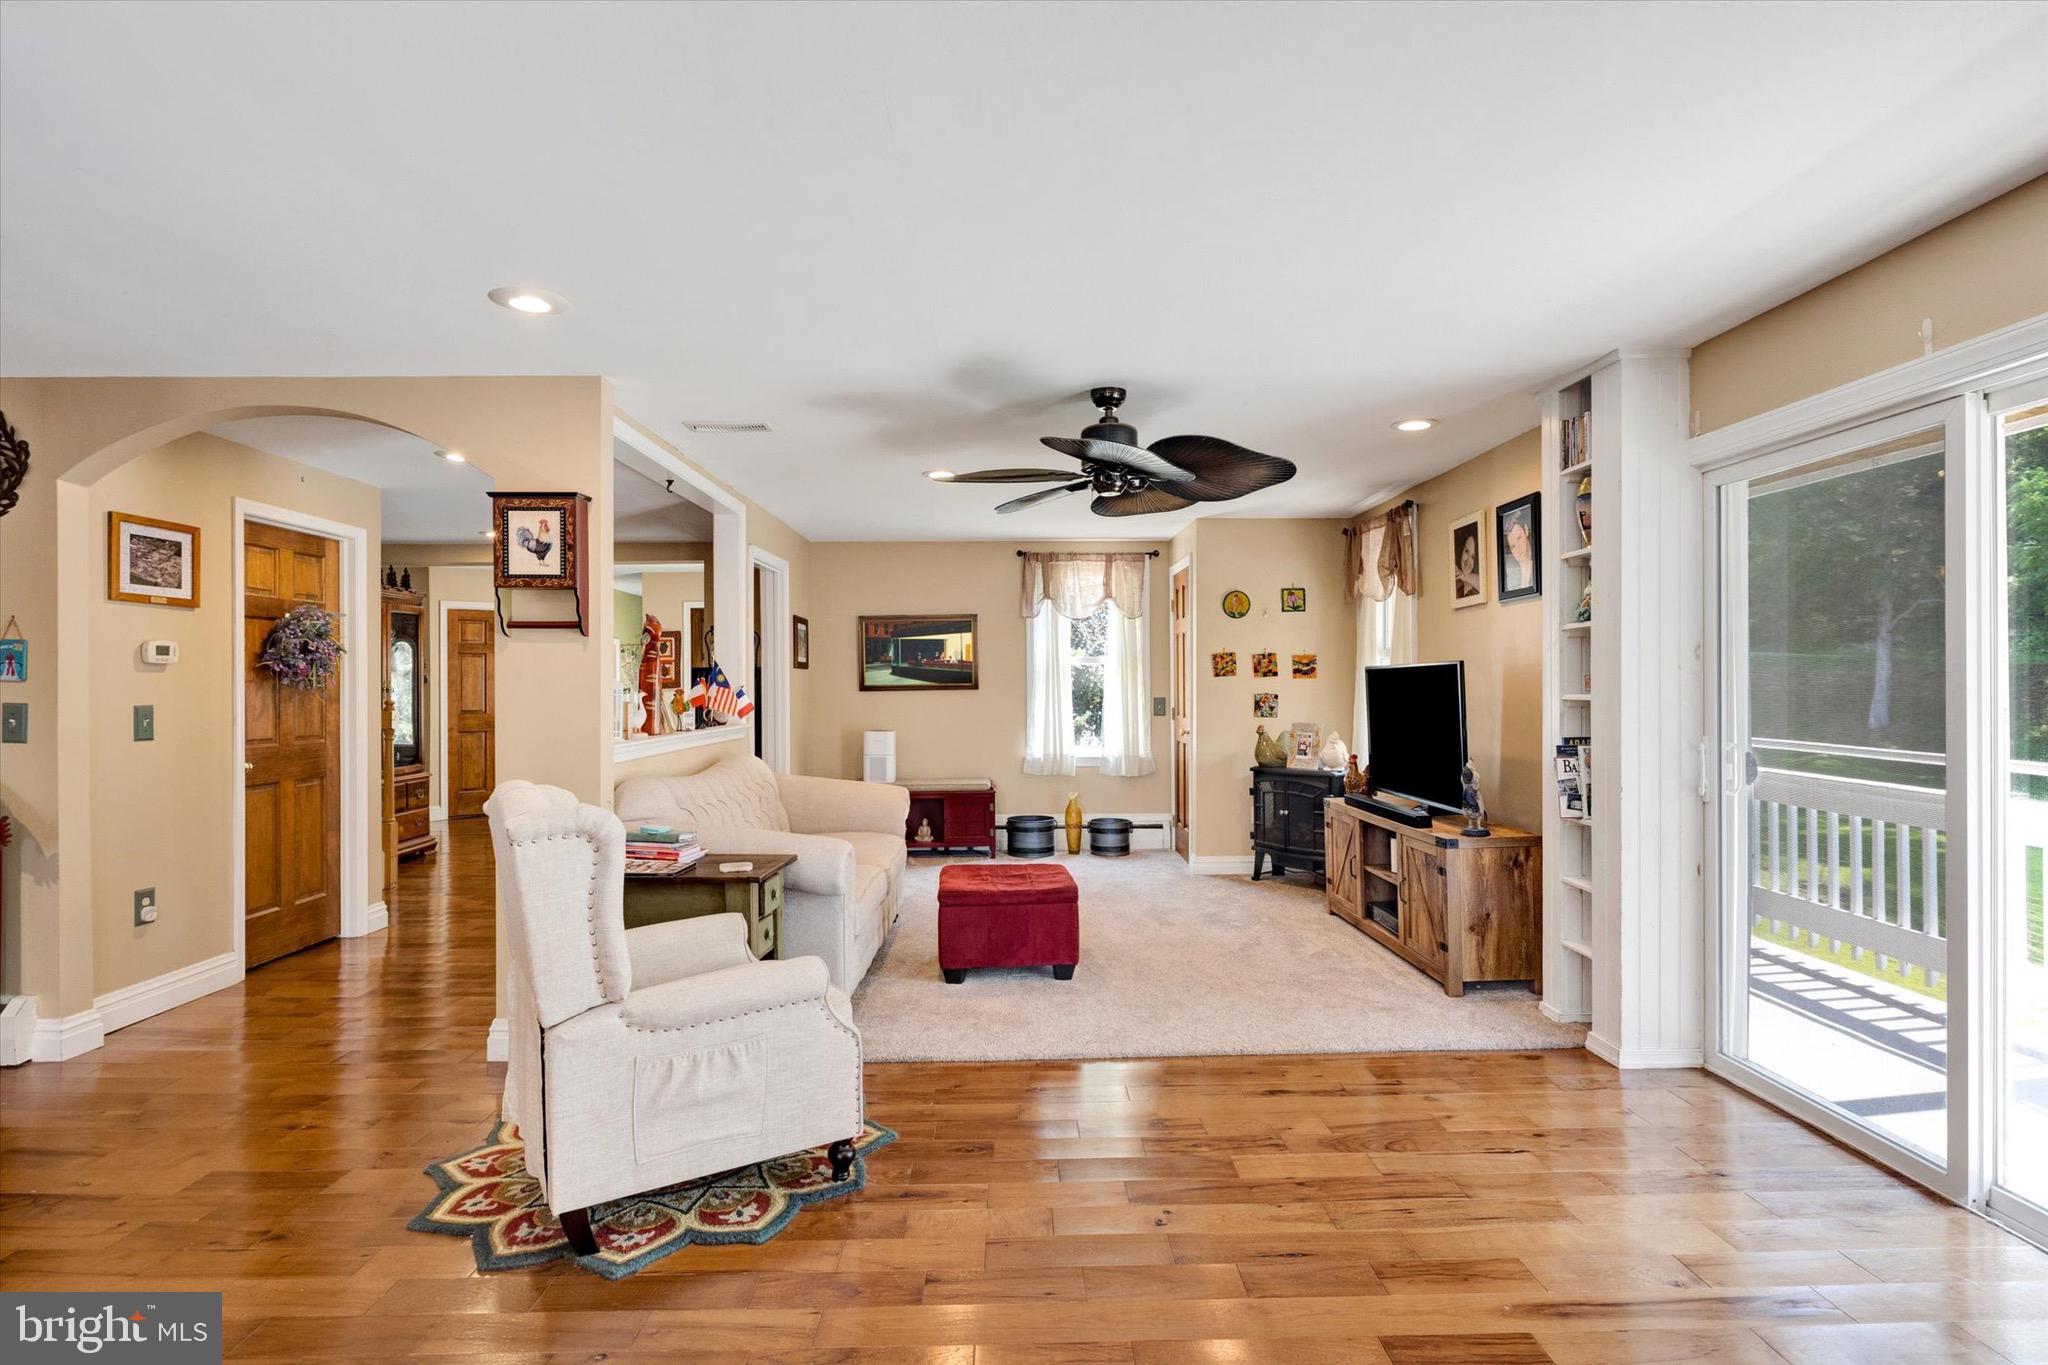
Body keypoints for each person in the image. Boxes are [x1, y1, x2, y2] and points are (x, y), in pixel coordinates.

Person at [1503, 514, 1535, 593]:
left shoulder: (1539, 564)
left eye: (1519, 538)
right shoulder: (1511, 578)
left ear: (1526, 531)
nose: (1518, 549)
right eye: (1513, 546)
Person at [1455, 530, 1482, 599]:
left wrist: (1465, 577)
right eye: (1466, 551)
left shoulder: (1478, 588)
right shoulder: (1459, 589)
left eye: (1473, 557)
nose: (1468, 560)